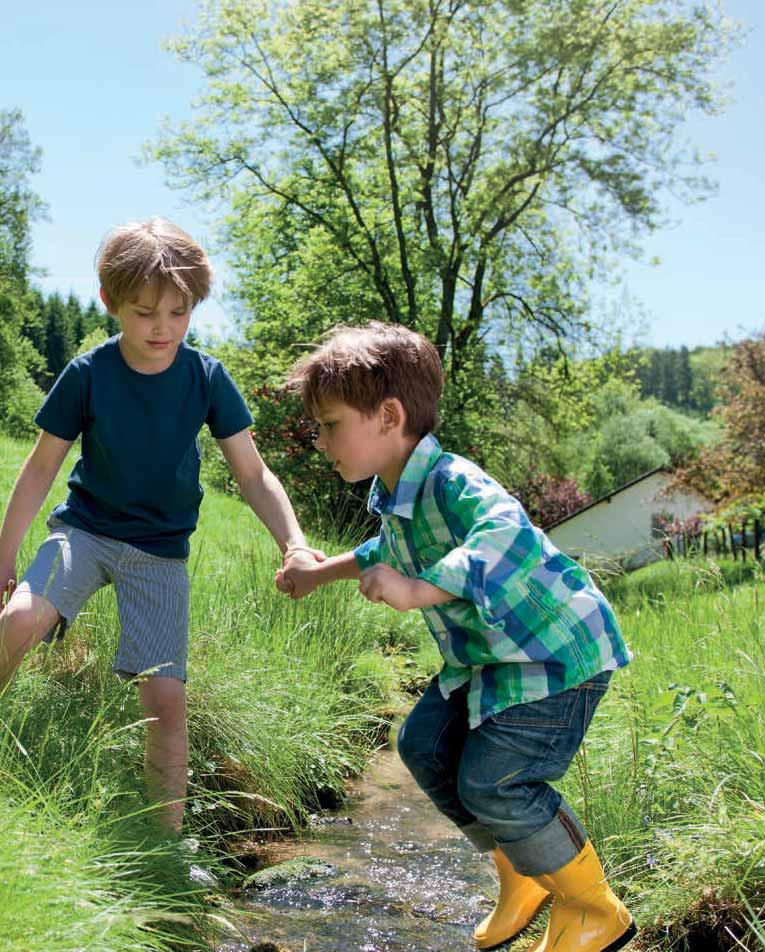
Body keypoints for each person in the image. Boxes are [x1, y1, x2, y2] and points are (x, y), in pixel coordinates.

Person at [276, 322, 636, 952]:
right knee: (423, 746)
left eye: (331, 425)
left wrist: (417, 590)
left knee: (496, 782)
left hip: (554, 656)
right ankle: (523, 876)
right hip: (491, 662)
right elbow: (381, 549)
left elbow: (503, 534)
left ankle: (592, 907)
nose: (320, 440)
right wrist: (319, 572)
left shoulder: (454, 480)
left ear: (388, 415)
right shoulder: (395, 495)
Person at [0, 218, 316, 834]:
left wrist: (294, 542)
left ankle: (164, 844)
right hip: (84, 532)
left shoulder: (206, 378)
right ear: (111, 303)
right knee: (18, 620)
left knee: (167, 701)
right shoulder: (88, 374)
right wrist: (4, 555)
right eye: (145, 312)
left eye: (179, 312)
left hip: (160, 553)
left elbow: (253, 475)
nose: (163, 328)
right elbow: (40, 468)